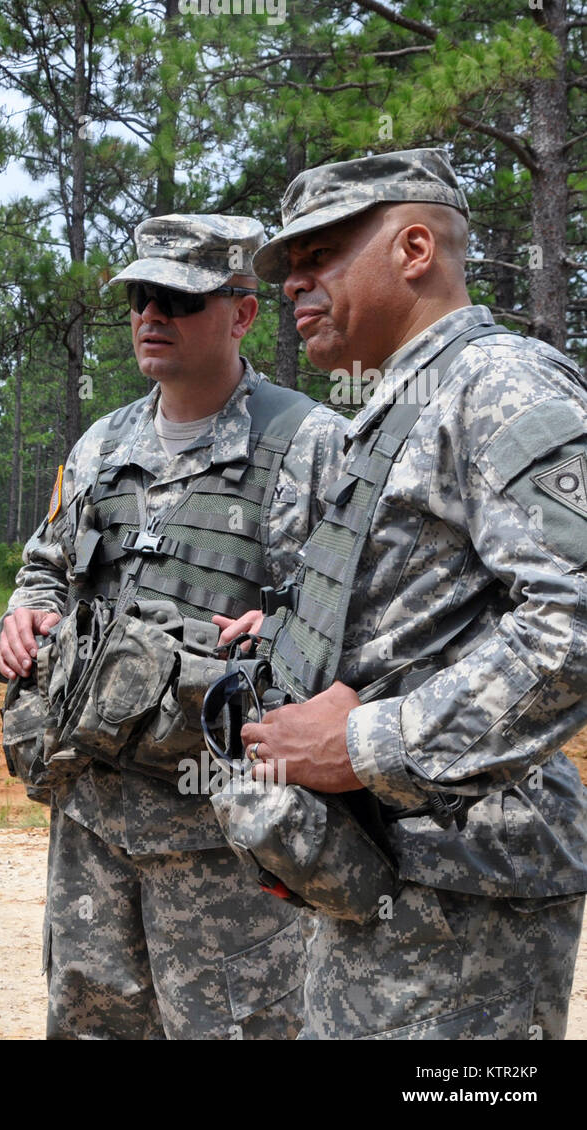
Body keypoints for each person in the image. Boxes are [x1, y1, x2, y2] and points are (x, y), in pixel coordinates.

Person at [224, 147, 587, 1039]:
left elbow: (573, 623)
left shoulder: (501, 385)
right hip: (394, 882)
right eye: (289, 268)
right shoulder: (400, 404)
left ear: (415, 248)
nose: (292, 285)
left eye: (319, 257)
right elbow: (428, 613)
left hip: (469, 895)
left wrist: (362, 742)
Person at [0, 214, 348, 1039]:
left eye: (178, 298)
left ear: (243, 312)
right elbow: (47, 565)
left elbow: (352, 611)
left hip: (227, 836)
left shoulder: (310, 445)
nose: (152, 314)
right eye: (142, 296)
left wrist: (286, 630)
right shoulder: (105, 443)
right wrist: (23, 614)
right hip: (94, 818)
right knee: (89, 1023)